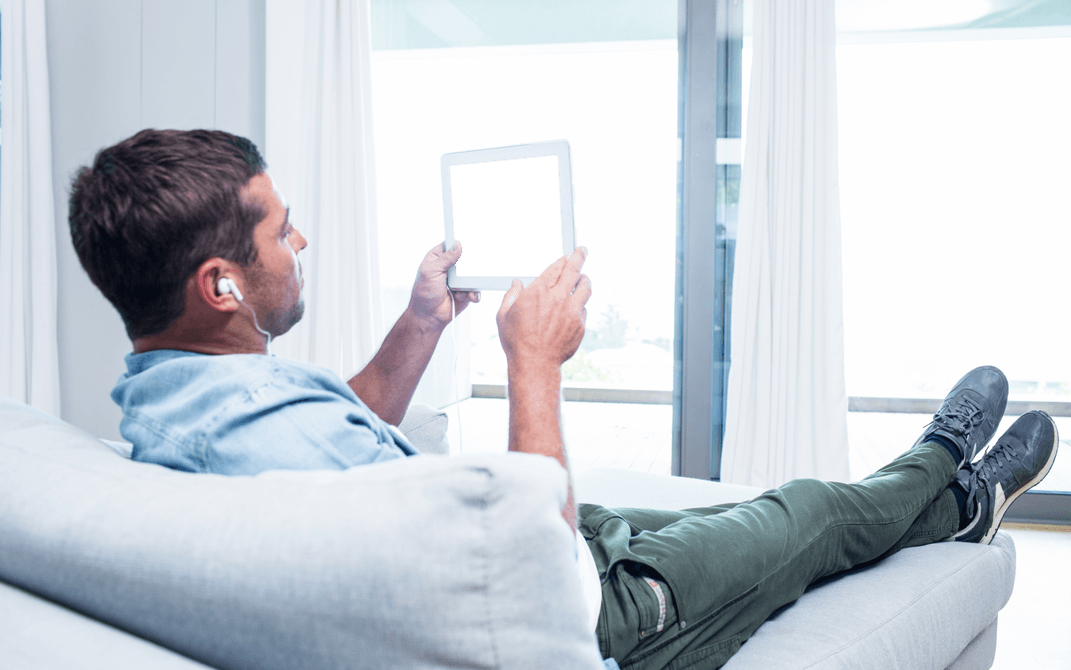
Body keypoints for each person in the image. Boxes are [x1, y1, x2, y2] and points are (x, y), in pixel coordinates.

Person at [69, 129, 1059, 670]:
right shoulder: (263, 451)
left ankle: (951, 505)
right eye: (282, 235)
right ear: (221, 285)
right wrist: (534, 362)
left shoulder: (182, 395)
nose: (303, 246)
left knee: (750, 512)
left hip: (494, 554)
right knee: (809, 513)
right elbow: (541, 568)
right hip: (588, 612)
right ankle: (948, 480)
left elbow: (345, 420)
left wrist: (422, 323)